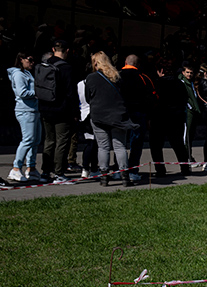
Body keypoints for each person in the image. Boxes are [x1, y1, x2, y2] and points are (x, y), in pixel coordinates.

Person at [84, 51, 138, 187]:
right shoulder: (117, 76)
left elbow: (87, 97)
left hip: (98, 115)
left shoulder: (91, 78)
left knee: (103, 147)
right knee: (120, 146)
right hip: (118, 115)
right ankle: (125, 177)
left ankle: (104, 177)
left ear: (95, 63)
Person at [38, 39, 78, 183]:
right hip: (62, 110)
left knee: (49, 140)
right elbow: (71, 93)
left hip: (45, 108)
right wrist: (75, 112)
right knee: (62, 141)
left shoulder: (45, 64)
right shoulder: (66, 68)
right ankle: (59, 172)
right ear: (67, 51)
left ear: (53, 50)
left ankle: (45, 172)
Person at [150, 58, 190, 177]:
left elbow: (152, 101)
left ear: (161, 70)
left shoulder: (156, 84)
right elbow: (184, 99)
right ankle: (184, 167)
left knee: (156, 145)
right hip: (176, 117)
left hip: (159, 118)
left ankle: (160, 169)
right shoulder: (179, 84)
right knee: (178, 144)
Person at [6, 53, 41, 186]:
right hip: (25, 110)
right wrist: (38, 93)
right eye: (30, 60)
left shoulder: (27, 73)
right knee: (28, 139)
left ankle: (31, 168)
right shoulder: (19, 74)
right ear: (21, 59)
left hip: (34, 110)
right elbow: (22, 93)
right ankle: (16, 168)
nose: (32, 63)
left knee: (35, 140)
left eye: (33, 60)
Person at [179, 62, 202, 166]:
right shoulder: (182, 82)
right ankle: (187, 158)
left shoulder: (191, 82)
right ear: (183, 72)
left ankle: (189, 156)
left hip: (193, 111)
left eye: (191, 73)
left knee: (190, 135)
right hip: (187, 112)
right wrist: (189, 106)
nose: (189, 75)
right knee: (186, 135)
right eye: (187, 72)